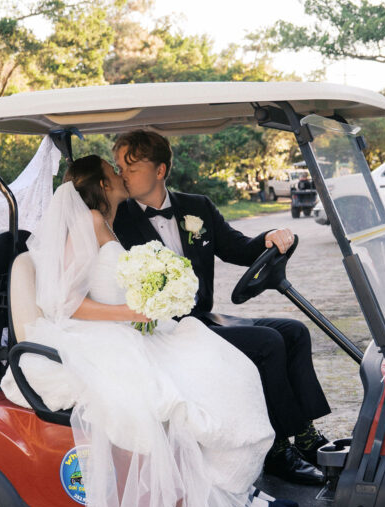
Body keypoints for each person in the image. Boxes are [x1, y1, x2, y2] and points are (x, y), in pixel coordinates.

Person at [1, 155, 294, 507]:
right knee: (191, 391)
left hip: (127, 329)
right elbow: (65, 303)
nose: (121, 176)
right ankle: (223, 498)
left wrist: (156, 300)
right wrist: (130, 310)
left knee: (229, 367)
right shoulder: (86, 224)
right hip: (100, 337)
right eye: (114, 171)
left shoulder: (106, 222)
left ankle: (235, 487)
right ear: (103, 184)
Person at [111, 131, 331, 485]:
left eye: (131, 168)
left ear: (160, 170)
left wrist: (270, 236)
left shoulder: (197, 207)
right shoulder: (116, 221)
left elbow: (238, 248)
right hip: (164, 330)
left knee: (293, 332)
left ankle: (304, 434)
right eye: (120, 167)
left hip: (201, 319)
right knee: (267, 343)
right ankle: (276, 449)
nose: (122, 175)